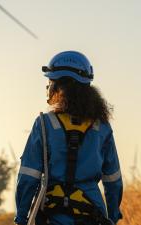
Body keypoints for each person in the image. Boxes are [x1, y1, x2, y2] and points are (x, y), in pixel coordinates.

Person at [14, 51, 123, 225]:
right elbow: (113, 180)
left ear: (56, 86)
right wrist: (113, 216)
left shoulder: (44, 124)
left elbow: (29, 176)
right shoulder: (101, 126)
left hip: (52, 215)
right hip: (93, 215)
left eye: (50, 82)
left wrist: (21, 217)